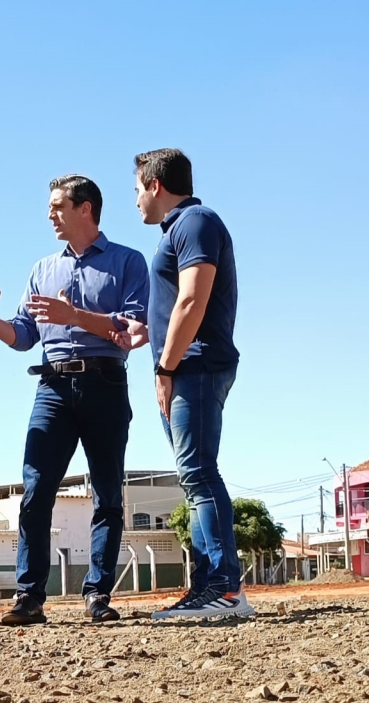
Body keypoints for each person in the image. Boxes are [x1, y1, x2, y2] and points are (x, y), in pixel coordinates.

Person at [0, 175, 149, 625]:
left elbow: (131, 332)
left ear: (85, 208)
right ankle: (29, 597)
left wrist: (75, 316)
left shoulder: (128, 262)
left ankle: (97, 595)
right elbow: (24, 335)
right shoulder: (41, 269)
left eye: (57, 206)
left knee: (107, 494)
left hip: (105, 383)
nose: (50, 215)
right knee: (35, 491)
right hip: (51, 387)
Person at [119, 148, 254, 619]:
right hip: (183, 365)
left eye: (137, 189)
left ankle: (224, 588)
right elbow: (179, 303)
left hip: (193, 367)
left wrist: (165, 367)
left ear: (155, 185)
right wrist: (148, 335)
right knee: (193, 476)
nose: (135, 200)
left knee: (199, 473)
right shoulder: (178, 229)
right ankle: (207, 588)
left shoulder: (196, 221)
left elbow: (193, 300)